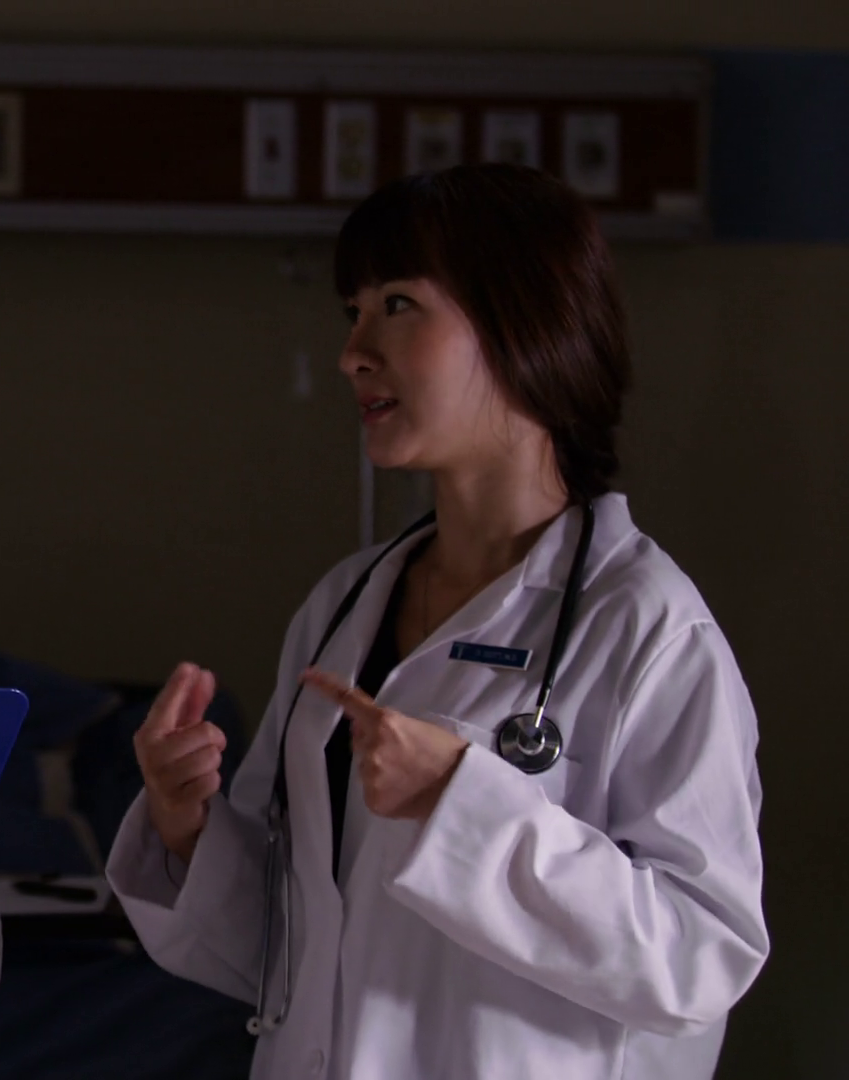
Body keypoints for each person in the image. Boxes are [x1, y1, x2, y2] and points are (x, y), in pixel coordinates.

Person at [110, 164, 768, 1079]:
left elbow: (701, 958)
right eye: (352, 312)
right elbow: (292, 943)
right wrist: (189, 827)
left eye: (398, 305)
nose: (353, 353)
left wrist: (465, 806)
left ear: (524, 321)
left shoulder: (647, 628)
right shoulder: (345, 603)